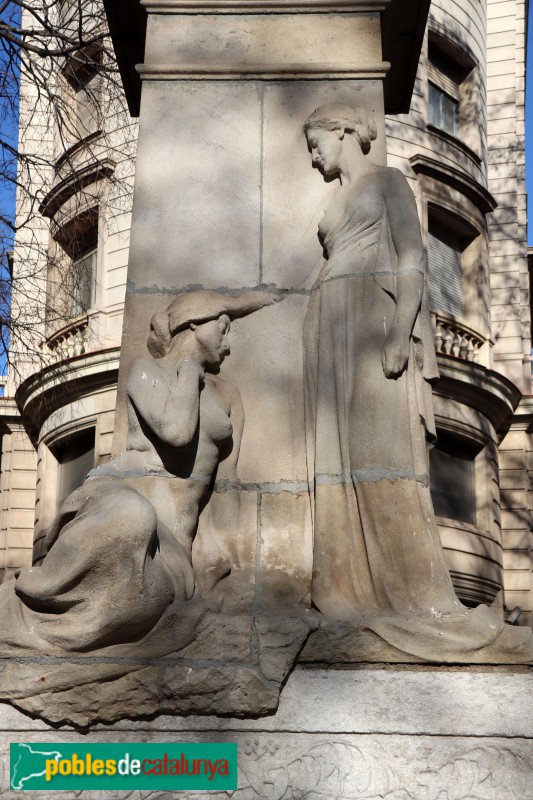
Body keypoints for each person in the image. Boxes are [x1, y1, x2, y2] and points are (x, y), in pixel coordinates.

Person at [302, 102, 532, 661]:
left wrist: (399, 331)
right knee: (334, 464)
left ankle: (410, 596)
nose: (313, 159)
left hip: (372, 321)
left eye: (316, 145)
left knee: (383, 459)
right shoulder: (335, 199)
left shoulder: (389, 182)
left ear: (343, 131)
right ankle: (345, 589)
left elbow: (412, 258)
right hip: (328, 325)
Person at [0, 289, 276, 652]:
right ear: (193, 325)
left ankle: (41, 634)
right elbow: (177, 433)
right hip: (118, 499)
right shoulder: (146, 372)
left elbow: (228, 484)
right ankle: (28, 600)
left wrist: (229, 566)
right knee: (133, 517)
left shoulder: (228, 395)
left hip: (171, 542)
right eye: (223, 329)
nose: (228, 343)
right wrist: (190, 371)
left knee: (142, 602)